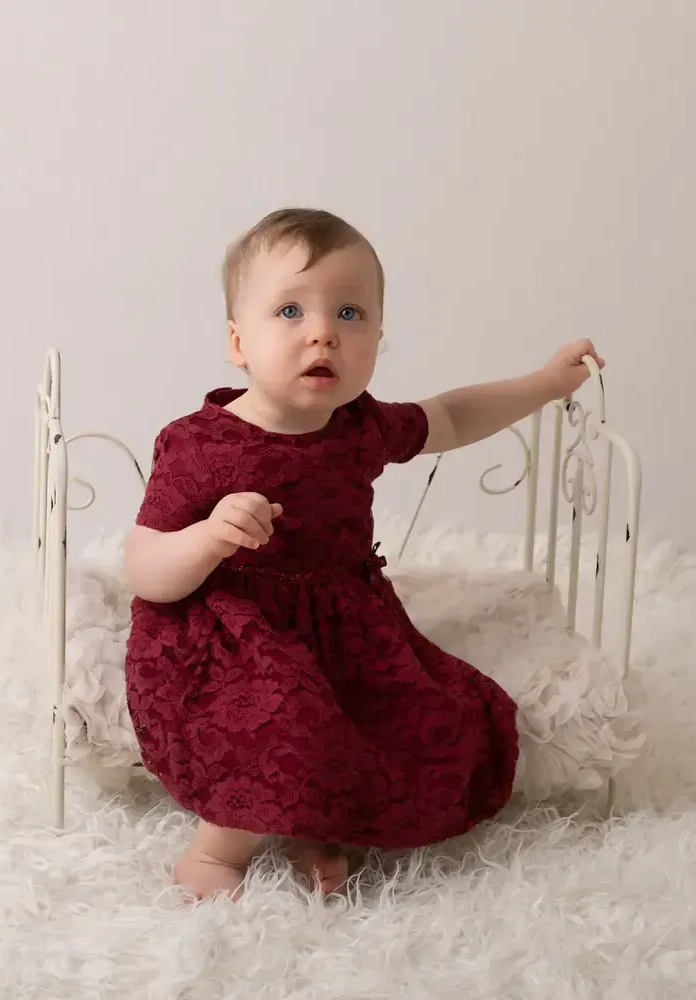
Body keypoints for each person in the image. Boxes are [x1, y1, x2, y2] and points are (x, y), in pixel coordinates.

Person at [122, 207, 603, 901]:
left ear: (378, 339)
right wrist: (209, 538)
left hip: (343, 621)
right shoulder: (201, 444)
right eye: (290, 310)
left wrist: (546, 384)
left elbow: (452, 416)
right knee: (284, 715)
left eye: (349, 313)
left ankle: (317, 828)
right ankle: (216, 852)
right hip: (232, 624)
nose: (322, 331)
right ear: (238, 342)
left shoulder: (360, 426)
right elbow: (145, 568)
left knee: (430, 718)